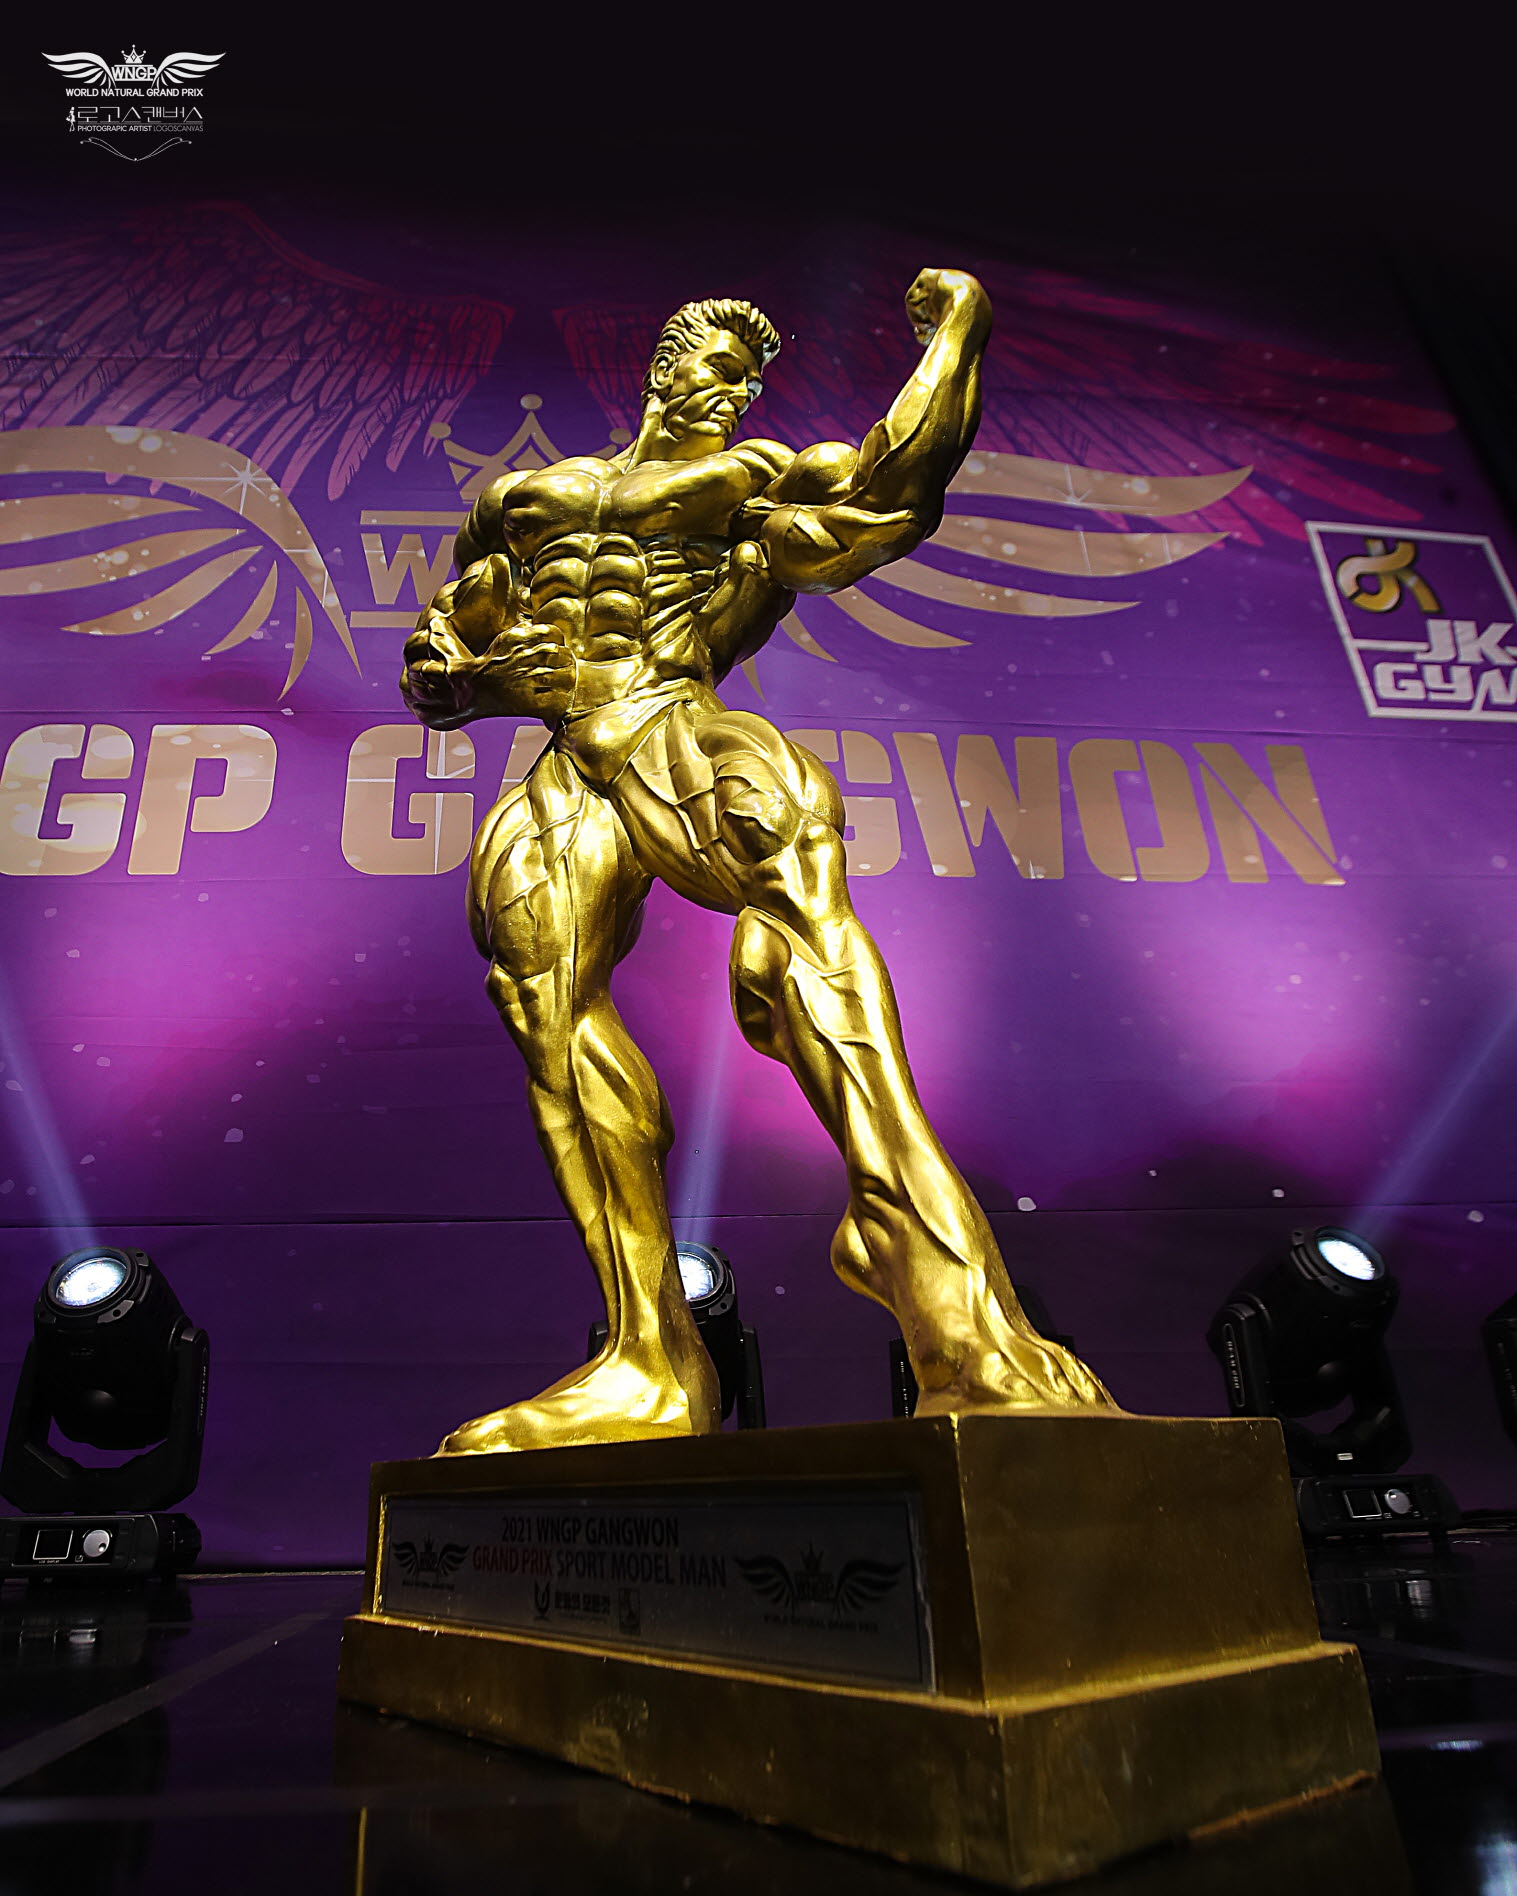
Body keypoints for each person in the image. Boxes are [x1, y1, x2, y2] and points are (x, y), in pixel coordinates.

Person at [400, 268, 1113, 1453]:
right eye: (718, 371)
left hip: (672, 725)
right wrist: (461, 678)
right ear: (663, 368)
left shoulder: (746, 483)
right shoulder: (521, 499)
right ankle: (646, 1358)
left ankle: (929, 1265)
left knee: (795, 877)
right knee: (539, 1003)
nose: (730, 395)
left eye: (746, 383)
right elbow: (445, 645)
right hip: (566, 767)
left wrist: (955, 339)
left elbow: (886, 498)